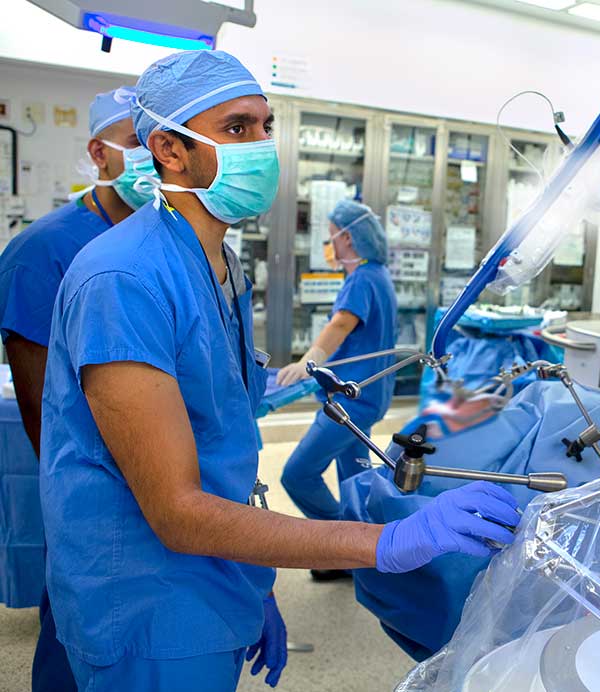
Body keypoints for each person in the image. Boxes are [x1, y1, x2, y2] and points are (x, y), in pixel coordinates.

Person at [39, 50, 521, 692]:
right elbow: (177, 510)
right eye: (237, 129)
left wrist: (253, 577)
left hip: (217, 571)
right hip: (149, 601)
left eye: (267, 127)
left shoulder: (222, 265)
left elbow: (224, 437)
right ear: (169, 150)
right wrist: (383, 542)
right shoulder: (124, 279)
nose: (263, 147)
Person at [0, 87, 156, 692]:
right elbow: (47, 418)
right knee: (80, 635)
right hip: (96, 493)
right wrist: (94, 499)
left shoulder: (171, 238)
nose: (153, 154)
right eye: (136, 142)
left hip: (171, 482)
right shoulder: (43, 252)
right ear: (99, 152)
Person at [276, 200, 397, 579]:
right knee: (355, 481)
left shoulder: (362, 277)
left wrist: (308, 360)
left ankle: (339, 549)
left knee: (297, 474)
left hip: (349, 402)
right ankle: (361, 553)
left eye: (331, 237)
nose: (329, 245)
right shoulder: (378, 274)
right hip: (368, 398)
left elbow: (342, 323)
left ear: (348, 237)